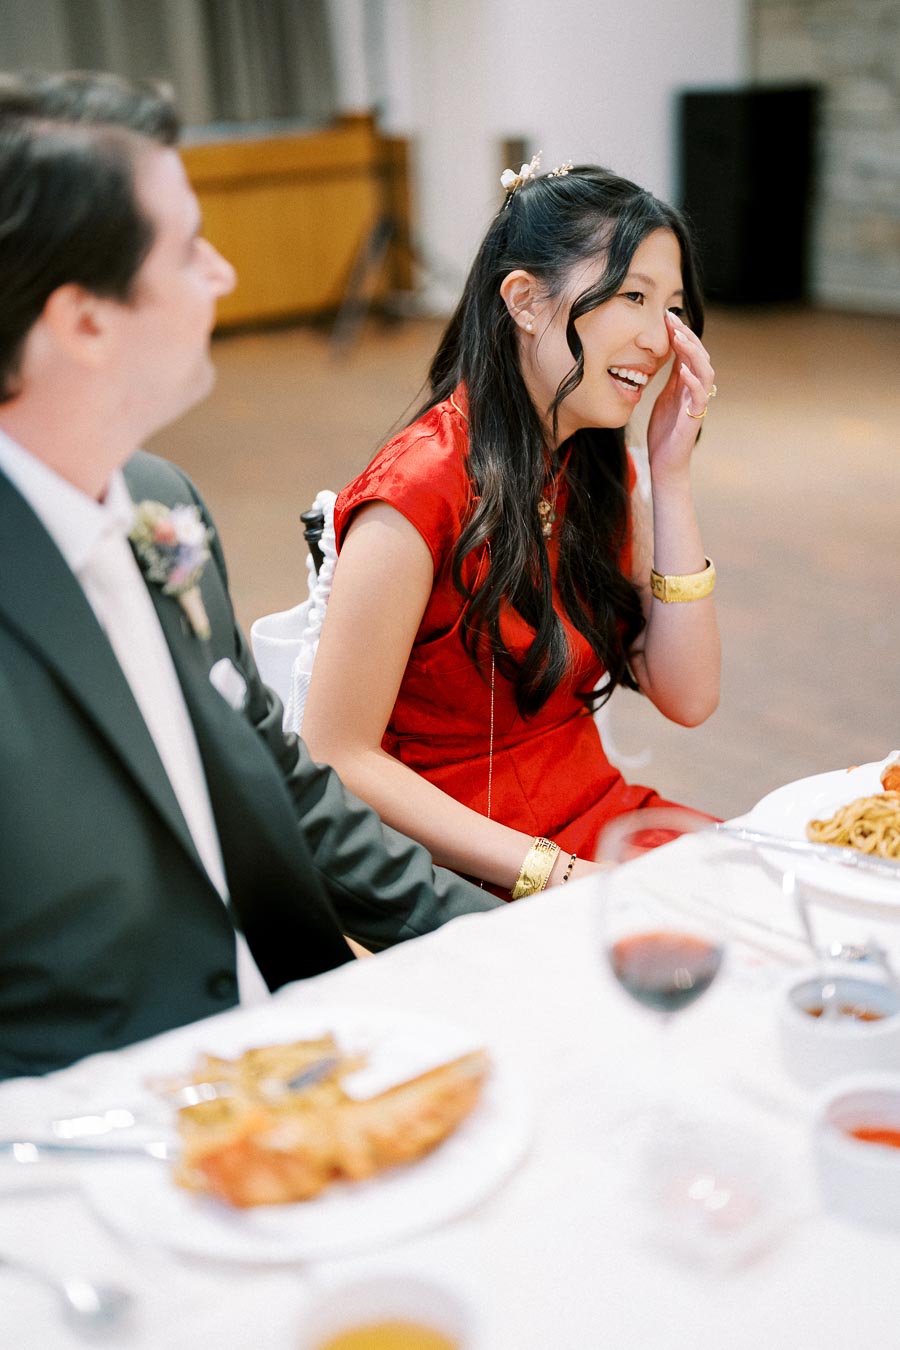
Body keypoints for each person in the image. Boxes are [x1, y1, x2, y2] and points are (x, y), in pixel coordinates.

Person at [0, 70, 504, 1081]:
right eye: (188, 249)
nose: (221, 273)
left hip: (293, 1058)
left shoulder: (160, 502)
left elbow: (287, 790)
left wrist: (504, 940)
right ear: (84, 321)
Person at [302, 155, 721, 899]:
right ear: (525, 301)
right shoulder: (417, 489)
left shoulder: (599, 468)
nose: (662, 338)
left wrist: (672, 474)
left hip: (593, 819)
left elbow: (689, 698)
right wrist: (554, 874)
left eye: (675, 308)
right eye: (632, 295)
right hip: (458, 864)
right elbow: (337, 752)